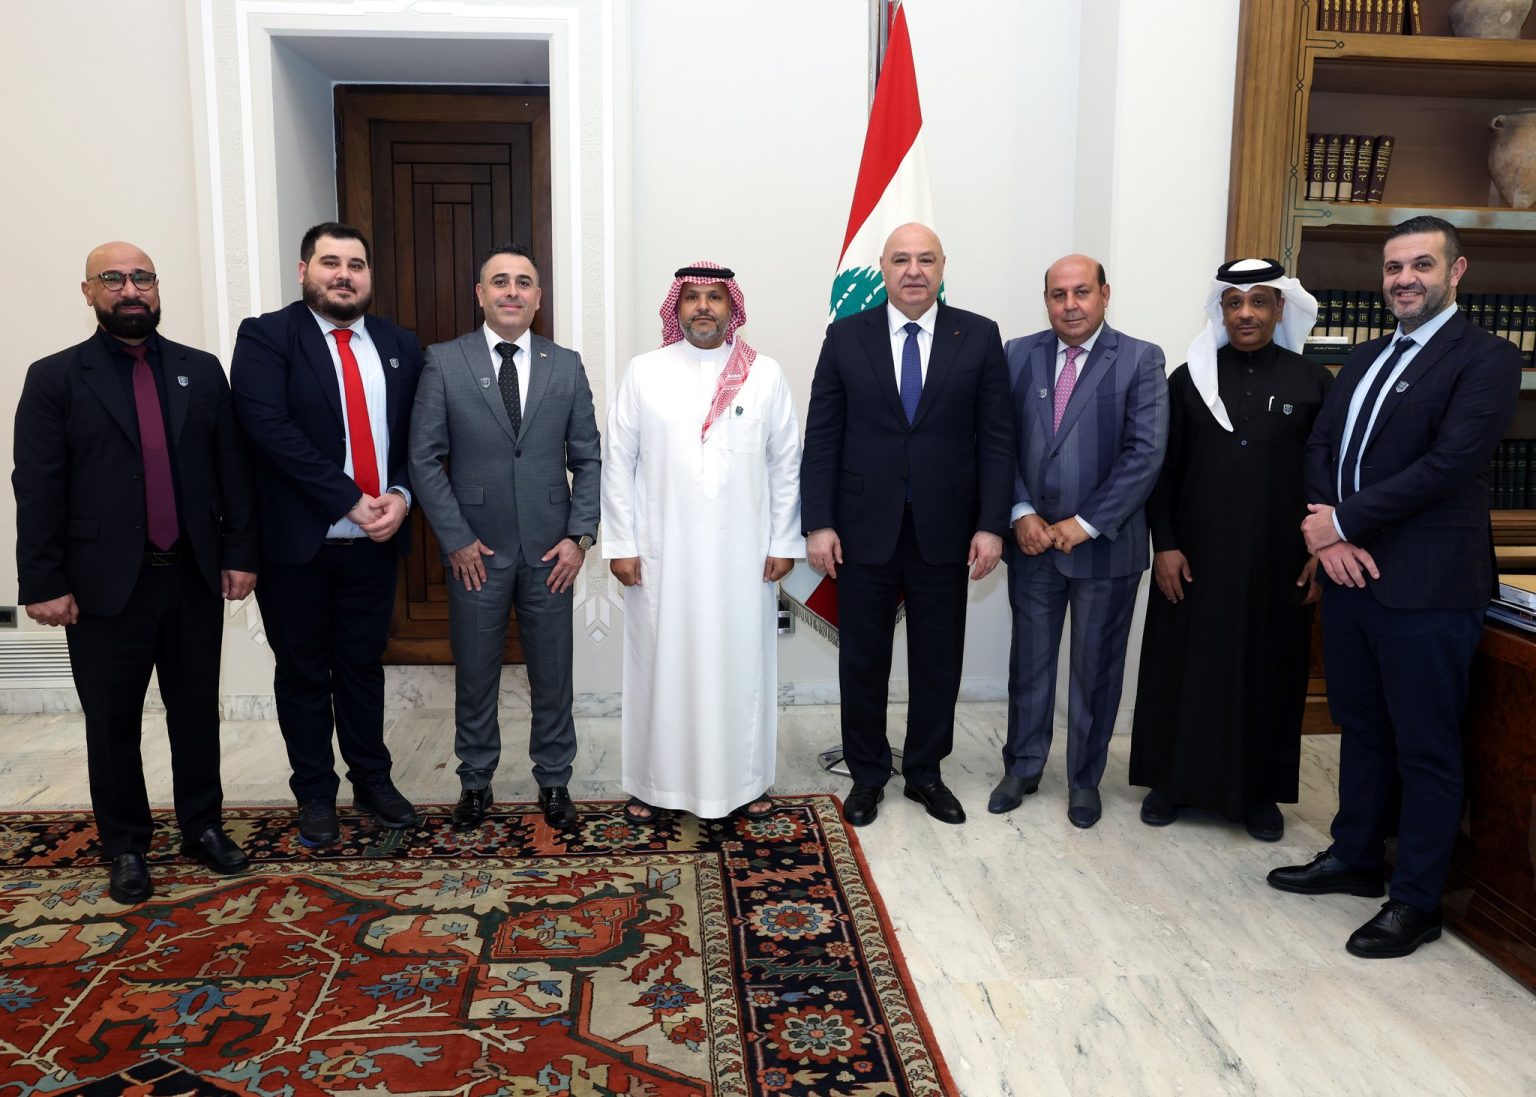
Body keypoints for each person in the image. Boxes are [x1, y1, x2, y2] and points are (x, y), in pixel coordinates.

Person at [1269, 216, 1522, 958]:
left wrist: (1341, 522)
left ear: (1456, 270)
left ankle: (1415, 900)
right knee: (1362, 729)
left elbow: (1450, 464)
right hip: (1352, 579)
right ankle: (1355, 857)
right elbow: (1321, 445)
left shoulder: (1487, 358)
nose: (1404, 279)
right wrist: (1329, 531)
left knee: (1426, 747)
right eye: (1393, 267)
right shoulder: (1365, 355)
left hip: (1428, 588)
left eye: (1421, 265)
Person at [14, 242, 258, 904]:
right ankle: (125, 845)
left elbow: (232, 470)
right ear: (88, 291)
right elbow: (36, 485)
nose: (130, 289)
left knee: (196, 712)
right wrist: (43, 580)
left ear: (157, 287)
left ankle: (203, 826)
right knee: (112, 720)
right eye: (114, 278)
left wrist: (241, 552)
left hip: (192, 575)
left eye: (142, 277)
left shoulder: (200, 370)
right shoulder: (56, 377)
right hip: (103, 585)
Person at [801, 223, 1013, 828]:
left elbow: (997, 439)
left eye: (925, 259)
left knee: (938, 660)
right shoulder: (846, 336)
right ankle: (868, 774)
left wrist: (991, 524)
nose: (913, 271)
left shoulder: (978, 335)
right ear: (883, 268)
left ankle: (924, 772)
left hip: (947, 529)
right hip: (862, 528)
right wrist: (818, 522)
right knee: (862, 659)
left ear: (943, 267)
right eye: (901, 260)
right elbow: (823, 435)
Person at [229, 222, 424, 846]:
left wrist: (400, 496)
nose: (344, 275)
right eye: (330, 262)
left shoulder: (398, 342)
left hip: (374, 543)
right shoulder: (266, 337)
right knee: (304, 673)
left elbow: (419, 435)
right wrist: (348, 499)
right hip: (297, 544)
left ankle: (372, 780)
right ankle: (315, 793)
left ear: (369, 276)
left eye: (356, 265)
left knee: (363, 668)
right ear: (303, 271)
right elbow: (267, 429)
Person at [1129, 258, 1331, 841]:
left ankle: (1260, 793)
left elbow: (1328, 475)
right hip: (1194, 559)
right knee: (1184, 668)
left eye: (1259, 301)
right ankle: (1170, 782)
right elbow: (1162, 471)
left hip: (1279, 562)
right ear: (1221, 310)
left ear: (1280, 308)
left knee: (1270, 671)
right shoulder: (1188, 379)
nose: (1246, 314)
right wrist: (1165, 545)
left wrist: (1321, 550)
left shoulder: (1314, 382)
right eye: (1234, 303)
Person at [409, 244, 599, 831]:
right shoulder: (444, 362)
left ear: (538, 297)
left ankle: (555, 779)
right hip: (476, 552)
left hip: (552, 552)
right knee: (475, 673)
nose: (511, 291)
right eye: (499, 281)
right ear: (481, 294)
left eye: (522, 282)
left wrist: (579, 537)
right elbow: (424, 458)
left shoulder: (565, 364)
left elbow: (589, 459)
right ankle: (475, 781)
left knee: (553, 674)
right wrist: (456, 539)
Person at [603, 262, 803, 821]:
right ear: (677, 307)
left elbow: (786, 463)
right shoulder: (644, 372)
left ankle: (747, 782)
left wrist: (784, 539)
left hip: (743, 558)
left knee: (742, 669)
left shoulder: (764, 374)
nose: (703, 308)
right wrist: (621, 543)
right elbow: (617, 462)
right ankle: (655, 785)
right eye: (692, 297)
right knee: (661, 669)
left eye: (714, 297)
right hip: (662, 557)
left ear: (732, 307)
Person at [990, 255, 1168, 829]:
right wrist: (1020, 511)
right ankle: (1022, 766)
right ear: (1046, 299)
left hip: (1105, 547)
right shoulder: (1017, 353)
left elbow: (1145, 453)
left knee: (1097, 671)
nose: (1070, 305)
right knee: (1029, 664)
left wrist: (1085, 522)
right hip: (1033, 545)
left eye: (1082, 292)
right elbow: (998, 442)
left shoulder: (1141, 358)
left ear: (1104, 295)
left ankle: (1084, 780)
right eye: (1058, 294)